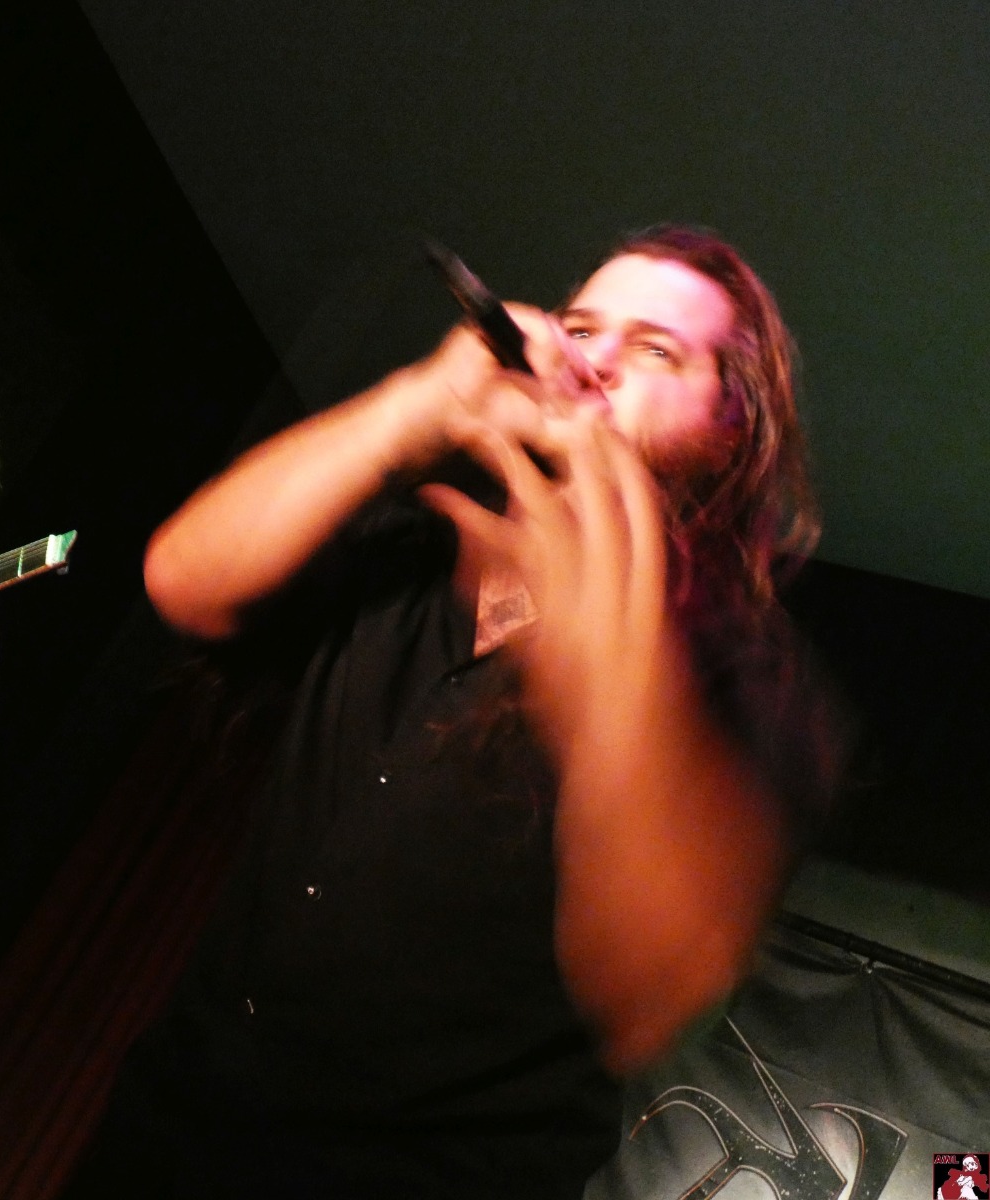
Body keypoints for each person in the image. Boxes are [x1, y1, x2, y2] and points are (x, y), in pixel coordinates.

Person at [68, 226, 838, 1198]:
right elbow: (184, 583)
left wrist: (604, 678)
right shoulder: (417, 549)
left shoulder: (749, 678)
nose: (593, 362)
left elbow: (654, 991)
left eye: (655, 350)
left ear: (732, 427)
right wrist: (417, 405)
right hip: (166, 1131)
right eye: (579, 328)